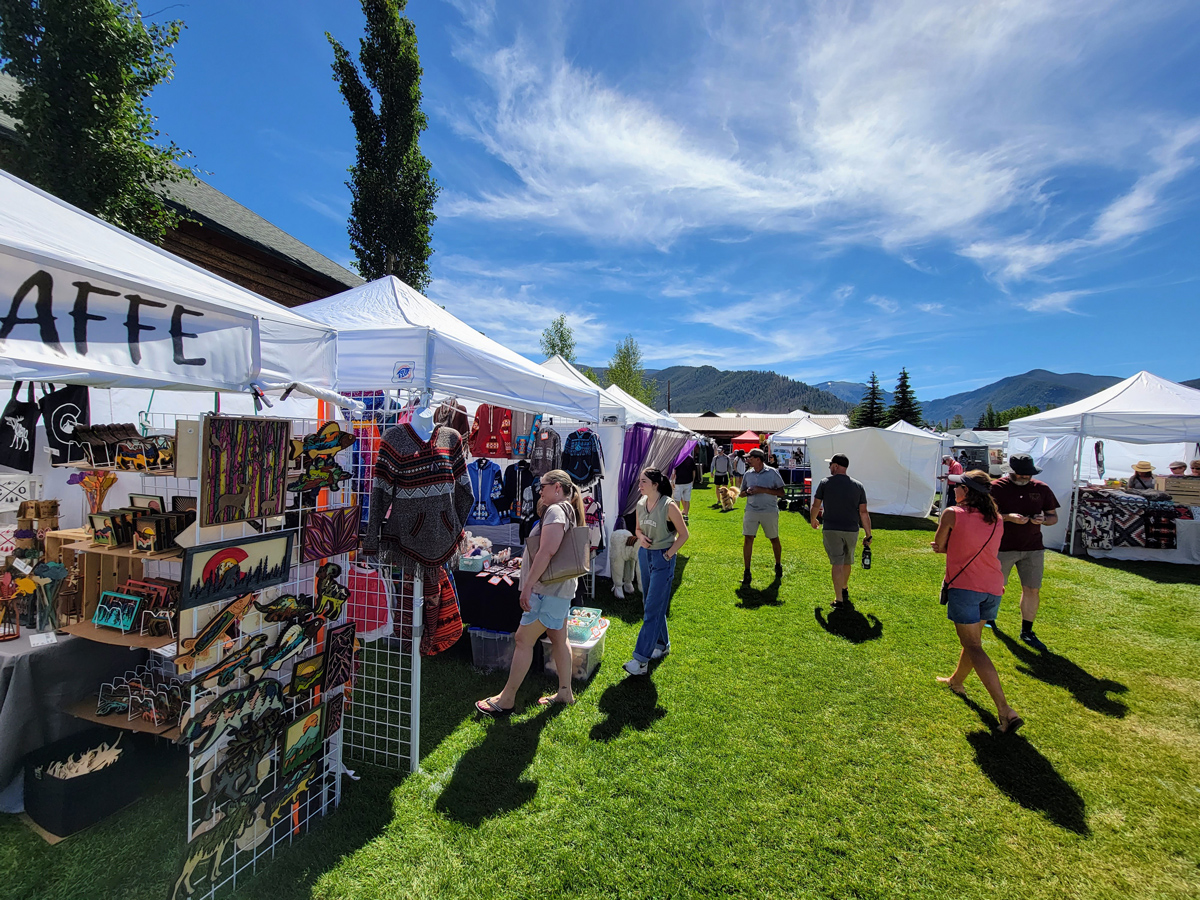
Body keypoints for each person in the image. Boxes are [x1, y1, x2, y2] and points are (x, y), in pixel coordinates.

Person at [476, 470, 586, 715]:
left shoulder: (556, 510)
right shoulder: (566, 509)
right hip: (558, 589)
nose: (539, 490)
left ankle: (506, 699)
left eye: (542, 486)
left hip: (547, 590)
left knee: (523, 640)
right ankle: (565, 692)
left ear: (557, 487)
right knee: (559, 638)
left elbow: (547, 551)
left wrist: (527, 586)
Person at [931, 471, 1023, 734]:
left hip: (966, 586)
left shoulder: (952, 513)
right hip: (993, 587)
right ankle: (956, 681)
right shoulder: (996, 518)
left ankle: (1005, 710)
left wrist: (946, 546)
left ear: (967, 491)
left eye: (958, 486)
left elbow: (940, 545)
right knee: (974, 642)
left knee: (973, 645)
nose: (954, 490)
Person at [988, 453, 1059, 651]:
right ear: (1011, 471)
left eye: (1028, 473)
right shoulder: (996, 488)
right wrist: (1008, 517)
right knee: (995, 586)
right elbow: (985, 516)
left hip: (1033, 547)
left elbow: (1053, 517)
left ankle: (1027, 630)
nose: (1025, 477)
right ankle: (988, 619)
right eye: (1020, 474)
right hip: (1002, 546)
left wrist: (1043, 520)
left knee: (1032, 588)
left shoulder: (1041, 489)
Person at [625, 468, 690, 675]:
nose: (639, 485)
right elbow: (637, 529)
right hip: (645, 555)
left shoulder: (669, 505)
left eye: (643, 481)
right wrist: (640, 538)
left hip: (663, 558)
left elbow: (684, 534)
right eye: (639, 481)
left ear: (655, 484)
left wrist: (668, 555)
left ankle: (640, 660)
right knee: (651, 602)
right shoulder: (640, 504)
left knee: (652, 608)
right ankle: (662, 644)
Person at [810, 454, 872, 607]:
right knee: (847, 561)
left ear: (836, 466)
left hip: (832, 529)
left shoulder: (825, 483)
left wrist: (813, 519)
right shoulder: (858, 486)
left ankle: (839, 599)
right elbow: (863, 512)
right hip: (851, 529)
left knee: (837, 563)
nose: (829, 467)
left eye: (830, 465)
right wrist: (868, 534)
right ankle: (844, 587)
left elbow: (816, 505)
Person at [740, 448, 786, 585]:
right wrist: (747, 492)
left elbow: (782, 492)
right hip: (751, 510)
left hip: (769, 511)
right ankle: (747, 572)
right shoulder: (748, 474)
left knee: (774, 538)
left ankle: (778, 564)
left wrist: (762, 490)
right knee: (748, 539)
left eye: (750, 458)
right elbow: (741, 493)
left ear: (758, 459)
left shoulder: (772, 472)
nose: (747, 460)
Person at [671, 452, 697, 522]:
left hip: (679, 482)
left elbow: (674, 471)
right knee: (687, 500)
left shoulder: (678, 459)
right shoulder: (690, 458)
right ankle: (686, 515)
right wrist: (693, 481)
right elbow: (693, 471)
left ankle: (678, 516)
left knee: (677, 500)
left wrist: (672, 481)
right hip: (688, 482)